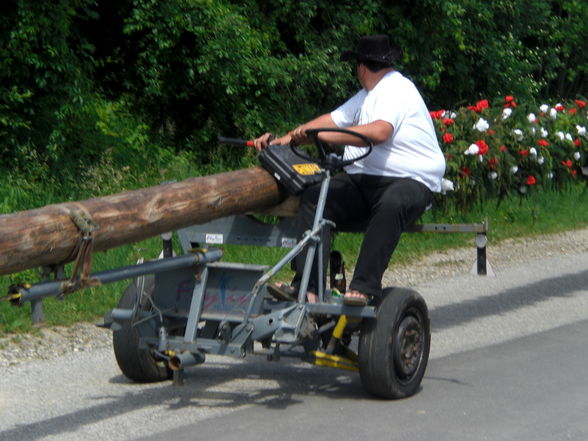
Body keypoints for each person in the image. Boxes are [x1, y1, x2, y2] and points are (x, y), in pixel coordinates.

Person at [254, 34, 446, 306]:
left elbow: (379, 132)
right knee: (316, 198)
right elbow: (332, 119)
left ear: (361, 67)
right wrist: (283, 140)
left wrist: (323, 135)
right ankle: (307, 287)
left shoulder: (399, 90)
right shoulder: (366, 96)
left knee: (392, 202)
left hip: (411, 181)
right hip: (363, 182)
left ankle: (364, 287)